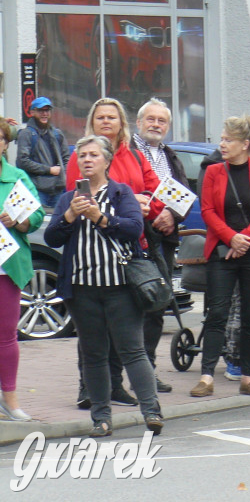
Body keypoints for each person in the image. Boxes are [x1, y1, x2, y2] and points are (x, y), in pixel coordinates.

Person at [47, 135, 162, 437]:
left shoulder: (122, 193)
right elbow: (52, 238)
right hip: (83, 290)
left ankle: (151, 411)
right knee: (94, 354)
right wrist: (71, 214)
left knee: (132, 350)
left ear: (107, 161)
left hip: (120, 288)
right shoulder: (68, 198)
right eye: (82, 155)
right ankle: (101, 418)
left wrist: (99, 217)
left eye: (93, 155)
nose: (86, 160)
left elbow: (134, 229)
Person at [67, 97, 167, 410]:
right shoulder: (82, 155)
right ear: (92, 123)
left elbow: (156, 190)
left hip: (131, 247)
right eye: (101, 118)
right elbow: (77, 195)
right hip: (93, 250)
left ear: (122, 123)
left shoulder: (135, 157)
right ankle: (90, 388)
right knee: (94, 328)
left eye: (112, 117)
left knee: (134, 319)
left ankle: (116, 383)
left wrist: (150, 206)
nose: (107, 122)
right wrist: (122, 205)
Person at [191, 115, 250, 398]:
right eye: (222, 138)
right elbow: (207, 211)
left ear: (245, 144)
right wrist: (231, 237)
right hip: (222, 251)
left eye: (228, 139)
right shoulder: (214, 171)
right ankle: (206, 377)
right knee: (217, 312)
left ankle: (248, 376)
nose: (222, 144)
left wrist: (245, 238)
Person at [132, 98, 189, 392]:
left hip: (163, 239)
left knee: (156, 305)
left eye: (161, 121)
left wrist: (172, 214)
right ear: (139, 122)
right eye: (150, 119)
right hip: (133, 237)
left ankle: (147, 371)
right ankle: (119, 374)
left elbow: (183, 192)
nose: (155, 125)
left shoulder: (171, 156)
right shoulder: (127, 151)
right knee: (129, 307)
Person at [0, 121, 45, 422]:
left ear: (5, 143)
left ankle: (10, 401)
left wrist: (19, 222)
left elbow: (37, 214)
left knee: (6, 336)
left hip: (7, 267)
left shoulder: (17, 178)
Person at [16, 96, 70, 208]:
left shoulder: (57, 134)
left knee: (58, 223)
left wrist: (62, 174)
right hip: (37, 190)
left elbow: (66, 159)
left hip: (58, 190)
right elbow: (22, 161)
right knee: (39, 223)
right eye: (41, 110)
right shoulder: (27, 134)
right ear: (32, 112)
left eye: (47, 110)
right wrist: (49, 170)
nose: (44, 114)